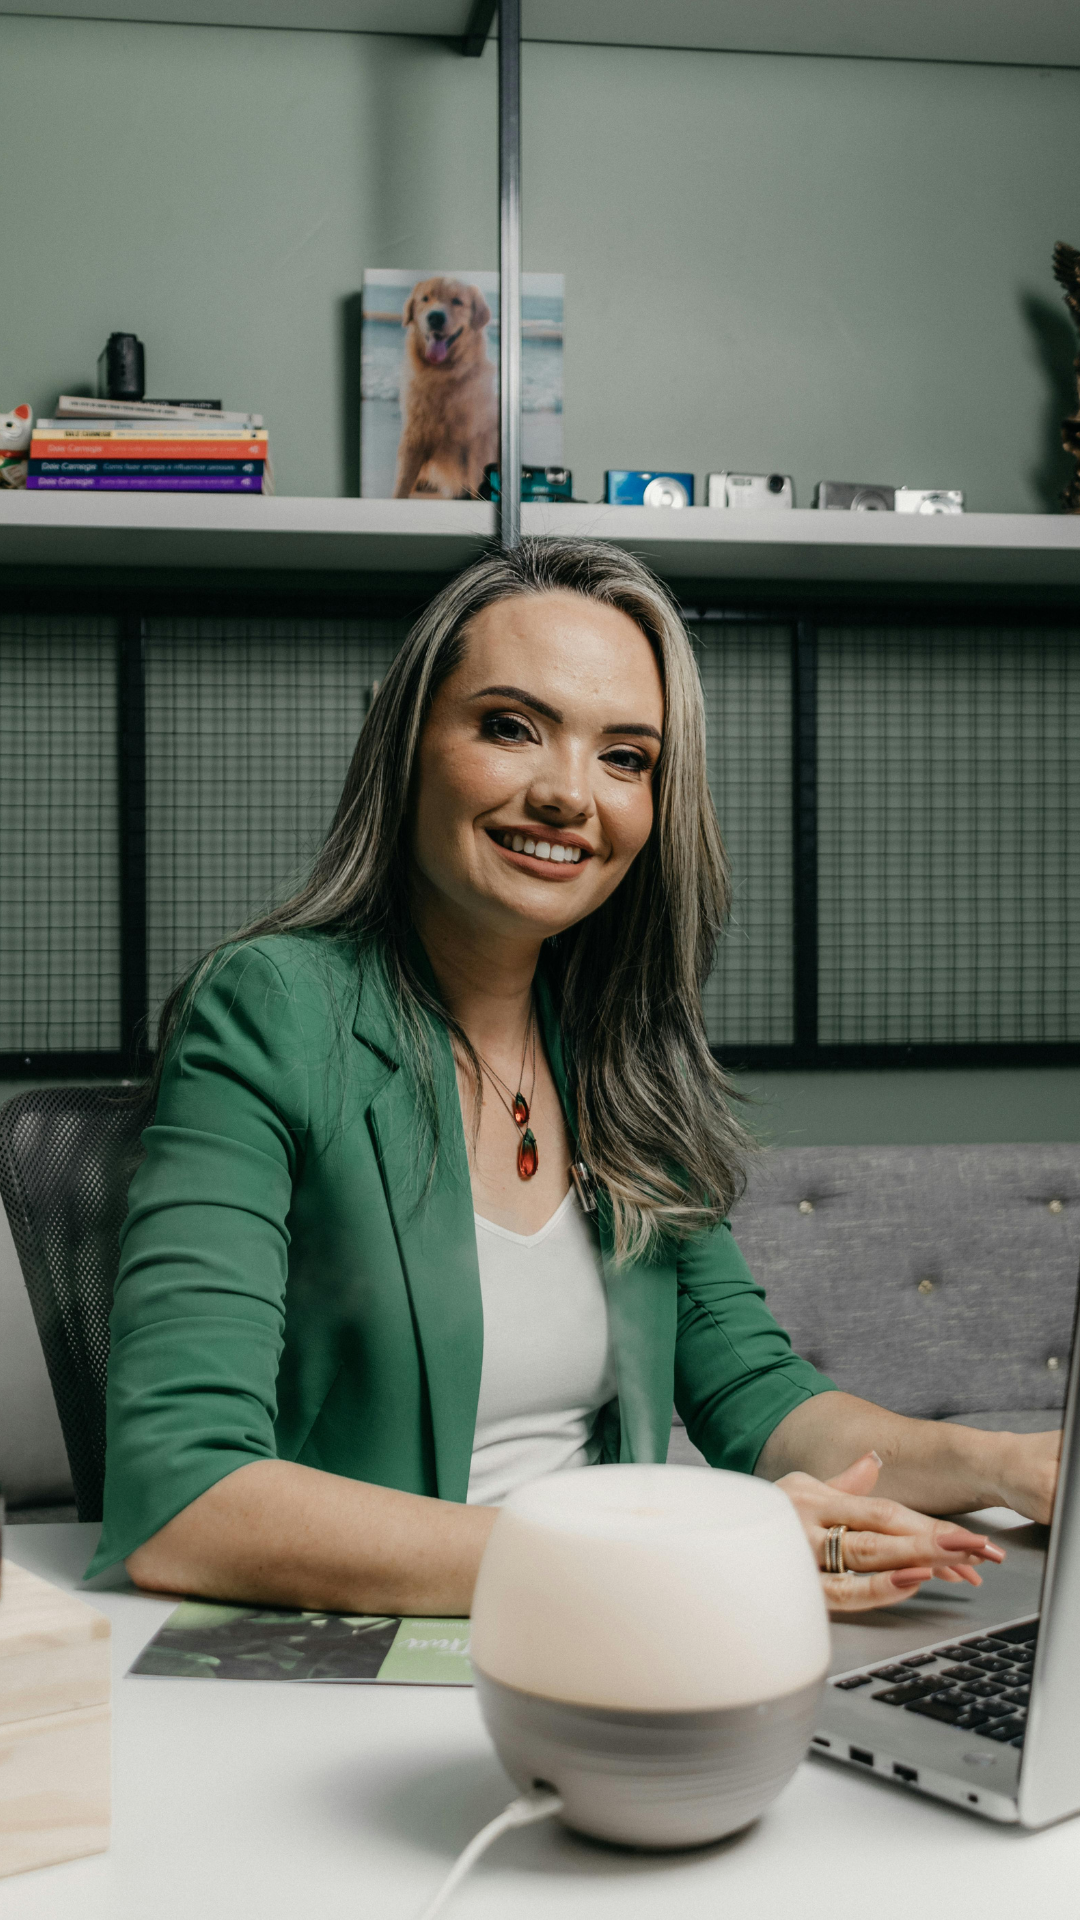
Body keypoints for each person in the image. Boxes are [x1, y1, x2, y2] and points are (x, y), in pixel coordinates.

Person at [89, 537, 1058, 1615]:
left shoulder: (618, 1052)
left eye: (625, 757)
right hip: (370, 1647)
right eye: (511, 727)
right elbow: (183, 1499)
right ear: (409, 746)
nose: (567, 794)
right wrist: (662, 1554)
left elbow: (761, 1399)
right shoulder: (274, 1007)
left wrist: (1011, 1465)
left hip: (614, 1629)